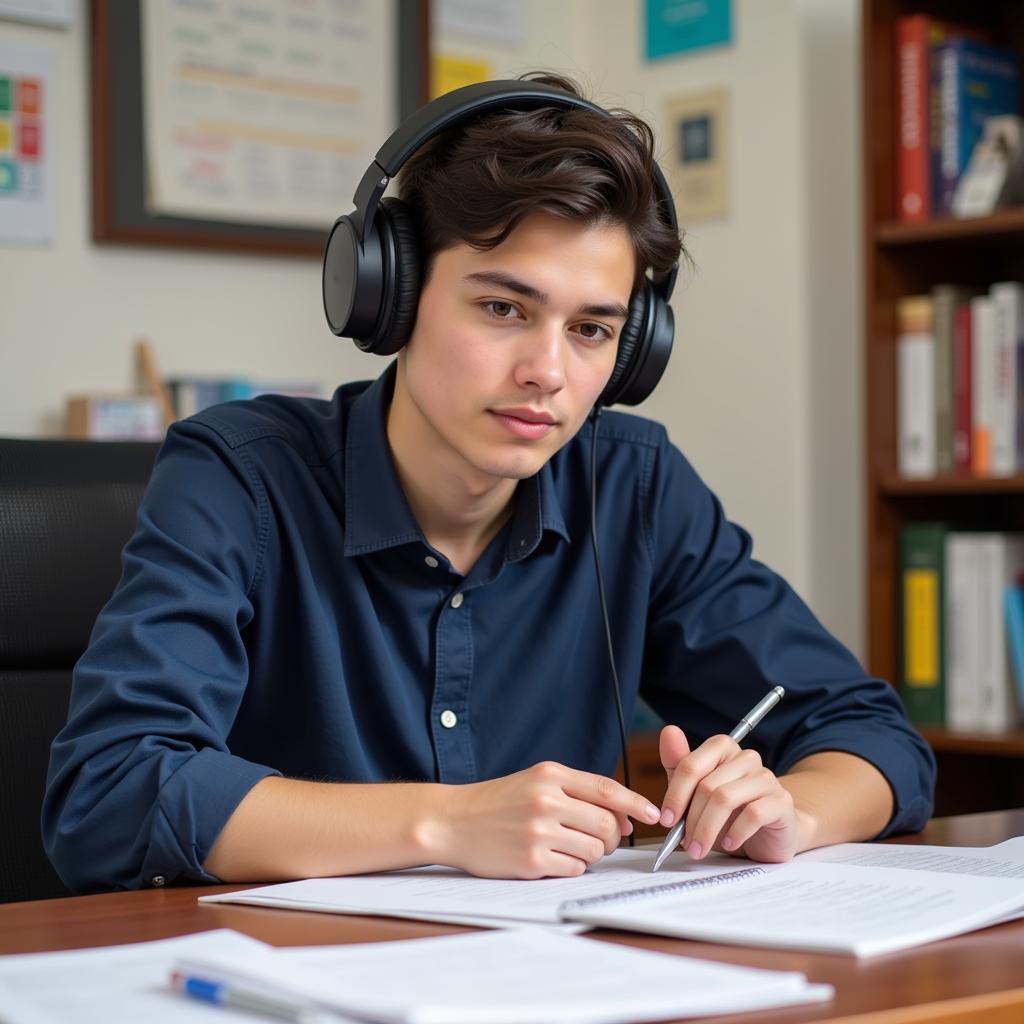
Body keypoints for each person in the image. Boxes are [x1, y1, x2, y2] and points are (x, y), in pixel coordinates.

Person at [43, 74, 935, 893]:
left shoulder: (635, 485)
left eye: (591, 330)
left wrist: (790, 810)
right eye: (503, 308)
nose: (548, 370)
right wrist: (448, 822)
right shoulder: (239, 475)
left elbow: (873, 737)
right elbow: (110, 793)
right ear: (389, 297)